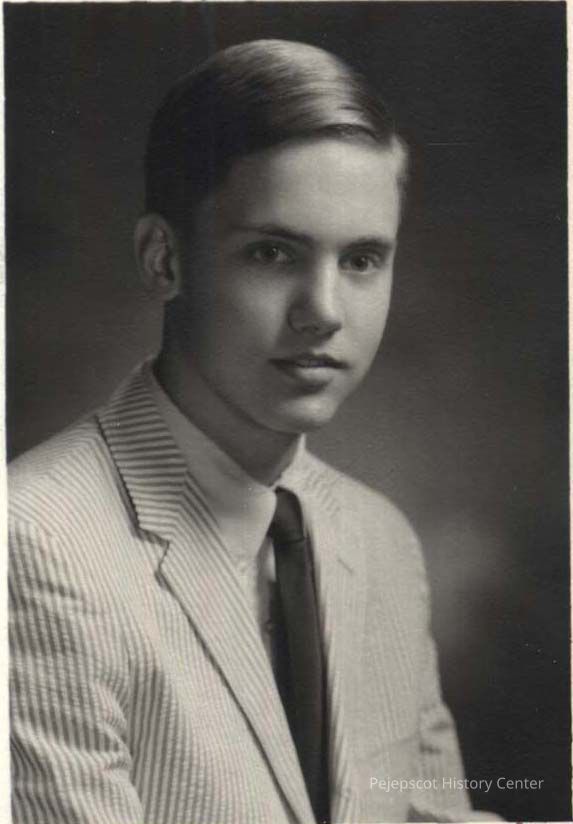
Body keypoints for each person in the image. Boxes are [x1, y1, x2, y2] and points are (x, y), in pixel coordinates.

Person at [9, 39, 498, 824]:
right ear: (163, 259)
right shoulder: (31, 544)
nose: (324, 311)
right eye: (272, 253)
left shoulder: (378, 539)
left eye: (362, 259)